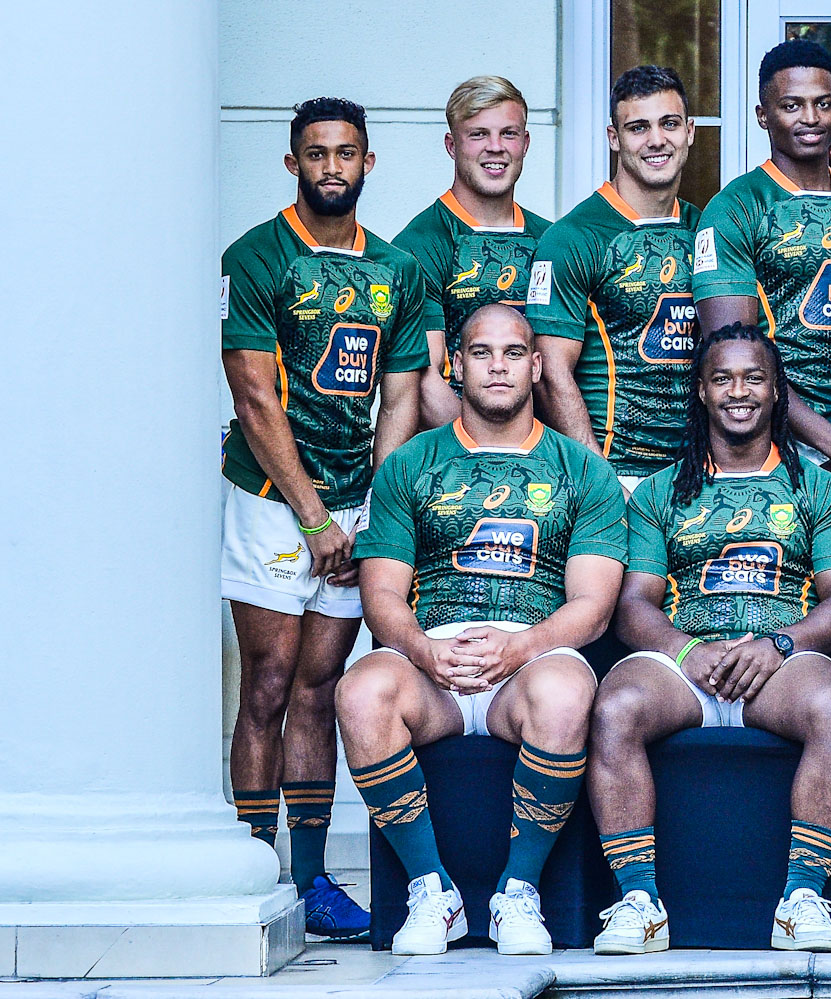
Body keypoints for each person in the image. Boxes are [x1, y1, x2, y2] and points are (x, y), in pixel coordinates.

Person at [336, 305, 625, 956]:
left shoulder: (583, 470)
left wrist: (521, 646)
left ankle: (517, 893)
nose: (499, 366)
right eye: (482, 352)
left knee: (565, 692)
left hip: (528, 659)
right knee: (360, 690)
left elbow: (594, 605)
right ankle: (432, 892)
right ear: (456, 366)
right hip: (432, 663)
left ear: (538, 366)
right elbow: (380, 593)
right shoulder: (409, 464)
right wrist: (423, 649)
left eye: (514, 352)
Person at [587, 323, 831, 955]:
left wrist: (779, 644)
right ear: (701, 392)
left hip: (780, 666)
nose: (738, 392)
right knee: (615, 706)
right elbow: (634, 605)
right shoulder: (660, 491)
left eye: (753, 378)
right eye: (722, 379)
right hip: (685, 665)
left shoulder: (819, 488)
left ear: (777, 391)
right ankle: (638, 902)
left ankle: (802, 899)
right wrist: (687, 651)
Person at [219, 96, 426, 940]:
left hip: (352, 505)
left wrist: (374, 510)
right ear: (292, 163)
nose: (331, 167)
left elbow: (402, 395)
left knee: (319, 686)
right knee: (268, 682)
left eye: (345, 153)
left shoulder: (396, 268)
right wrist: (312, 518)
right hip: (274, 503)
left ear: (367, 162)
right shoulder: (256, 255)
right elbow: (253, 399)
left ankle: (309, 881)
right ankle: (249, 871)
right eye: (316, 153)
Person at [693, 39, 831, 493]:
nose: (811, 118)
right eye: (792, 105)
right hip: (770, 444)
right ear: (763, 115)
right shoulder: (735, 208)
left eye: (824, 104)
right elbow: (732, 350)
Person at [528, 65, 702, 490]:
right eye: (638, 127)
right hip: (615, 471)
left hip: (698, 475)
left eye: (669, 124)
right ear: (614, 138)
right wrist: (601, 482)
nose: (656, 140)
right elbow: (550, 372)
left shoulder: (705, 229)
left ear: (690, 131)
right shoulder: (572, 237)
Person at [395, 75, 553, 429]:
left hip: (541, 452)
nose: (495, 147)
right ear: (452, 145)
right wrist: (492, 447)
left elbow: (561, 367)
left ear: (525, 143)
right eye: (479, 134)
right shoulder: (420, 244)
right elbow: (423, 380)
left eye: (508, 133)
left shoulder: (551, 240)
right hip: (453, 451)